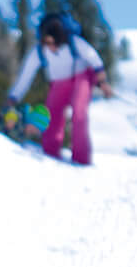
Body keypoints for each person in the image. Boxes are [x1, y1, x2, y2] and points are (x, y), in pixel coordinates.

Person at [7, 12, 113, 166]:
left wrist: (103, 82)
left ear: (61, 38)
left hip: (81, 76)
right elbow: (26, 76)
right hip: (58, 82)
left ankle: (81, 159)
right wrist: (13, 97)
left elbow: (94, 59)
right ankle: (50, 153)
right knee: (51, 115)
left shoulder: (74, 42)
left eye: (54, 43)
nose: (51, 47)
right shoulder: (39, 51)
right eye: (47, 43)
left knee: (79, 112)